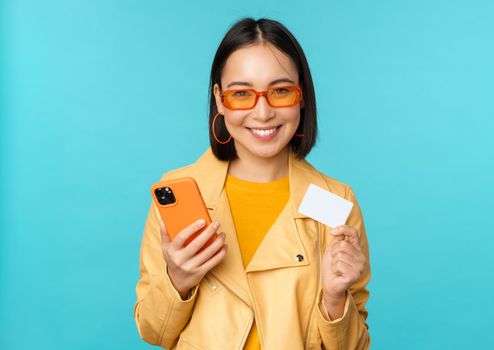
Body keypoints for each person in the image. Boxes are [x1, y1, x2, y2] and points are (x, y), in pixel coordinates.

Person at [134, 17, 371, 350]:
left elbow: (355, 346)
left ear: (301, 96)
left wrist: (335, 300)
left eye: (280, 91)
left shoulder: (335, 202)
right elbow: (153, 331)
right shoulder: (179, 191)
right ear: (219, 99)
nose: (262, 113)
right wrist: (178, 281)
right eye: (241, 93)